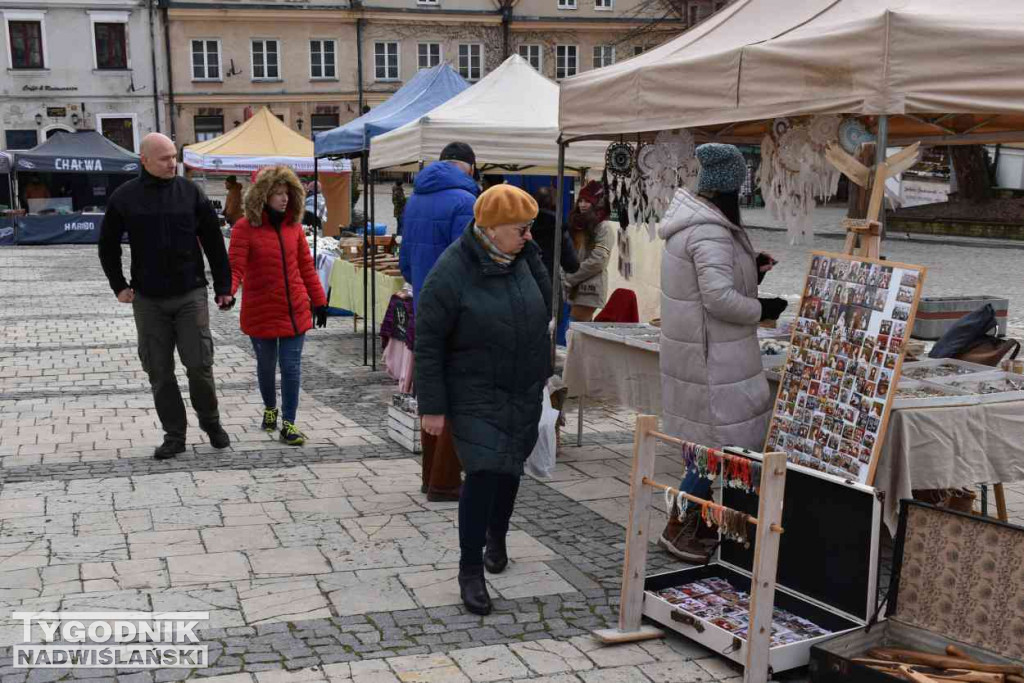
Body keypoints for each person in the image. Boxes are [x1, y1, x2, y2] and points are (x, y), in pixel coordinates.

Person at [415, 184, 550, 616]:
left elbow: (545, 303)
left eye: (530, 229)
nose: (528, 237)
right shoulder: (452, 269)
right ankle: (469, 568)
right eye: (520, 229)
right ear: (490, 229)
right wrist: (432, 407)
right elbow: (430, 341)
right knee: (484, 472)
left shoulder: (525, 256)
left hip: (521, 386)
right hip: (474, 389)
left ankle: (498, 536)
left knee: (510, 468)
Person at [657, 143, 787, 562]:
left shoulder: (700, 224)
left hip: (709, 355)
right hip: (715, 360)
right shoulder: (710, 230)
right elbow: (718, 299)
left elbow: (711, 284)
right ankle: (678, 527)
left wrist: (753, 268)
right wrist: (761, 309)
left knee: (710, 448)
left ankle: (693, 521)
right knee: (713, 451)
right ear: (731, 187)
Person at [98, 133, 234, 460]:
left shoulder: (190, 192)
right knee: (159, 371)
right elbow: (108, 245)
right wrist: (119, 285)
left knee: (199, 364)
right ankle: (175, 434)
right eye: (164, 158)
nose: (173, 163)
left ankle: (211, 421)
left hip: (190, 294)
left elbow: (214, 242)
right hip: (148, 300)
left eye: (174, 156)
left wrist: (224, 287)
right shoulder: (124, 197)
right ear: (143, 160)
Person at [399, 141, 480, 502]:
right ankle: (445, 481)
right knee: (456, 392)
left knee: (430, 388)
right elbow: (469, 261)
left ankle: (430, 473)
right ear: (471, 167)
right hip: (457, 309)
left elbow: (403, 261)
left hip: (423, 302)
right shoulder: (465, 202)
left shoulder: (416, 198)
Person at [227, 166, 328, 446]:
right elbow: (235, 266)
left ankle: (289, 423)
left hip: (294, 309)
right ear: (263, 195)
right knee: (266, 365)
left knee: (292, 367)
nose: (284, 199)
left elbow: (306, 267)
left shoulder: (293, 227)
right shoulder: (244, 228)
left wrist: (319, 301)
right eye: (277, 193)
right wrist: (228, 292)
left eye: (287, 193)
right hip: (261, 308)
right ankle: (270, 408)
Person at [563, 180, 614, 322]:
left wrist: (570, 277)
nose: (582, 205)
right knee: (577, 331)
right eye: (581, 200)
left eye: (588, 201)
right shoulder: (579, 224)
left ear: (597, 203)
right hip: (575, 287)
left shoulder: (603, 228)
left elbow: (598, 261)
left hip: (590, 288)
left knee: (576, 329)